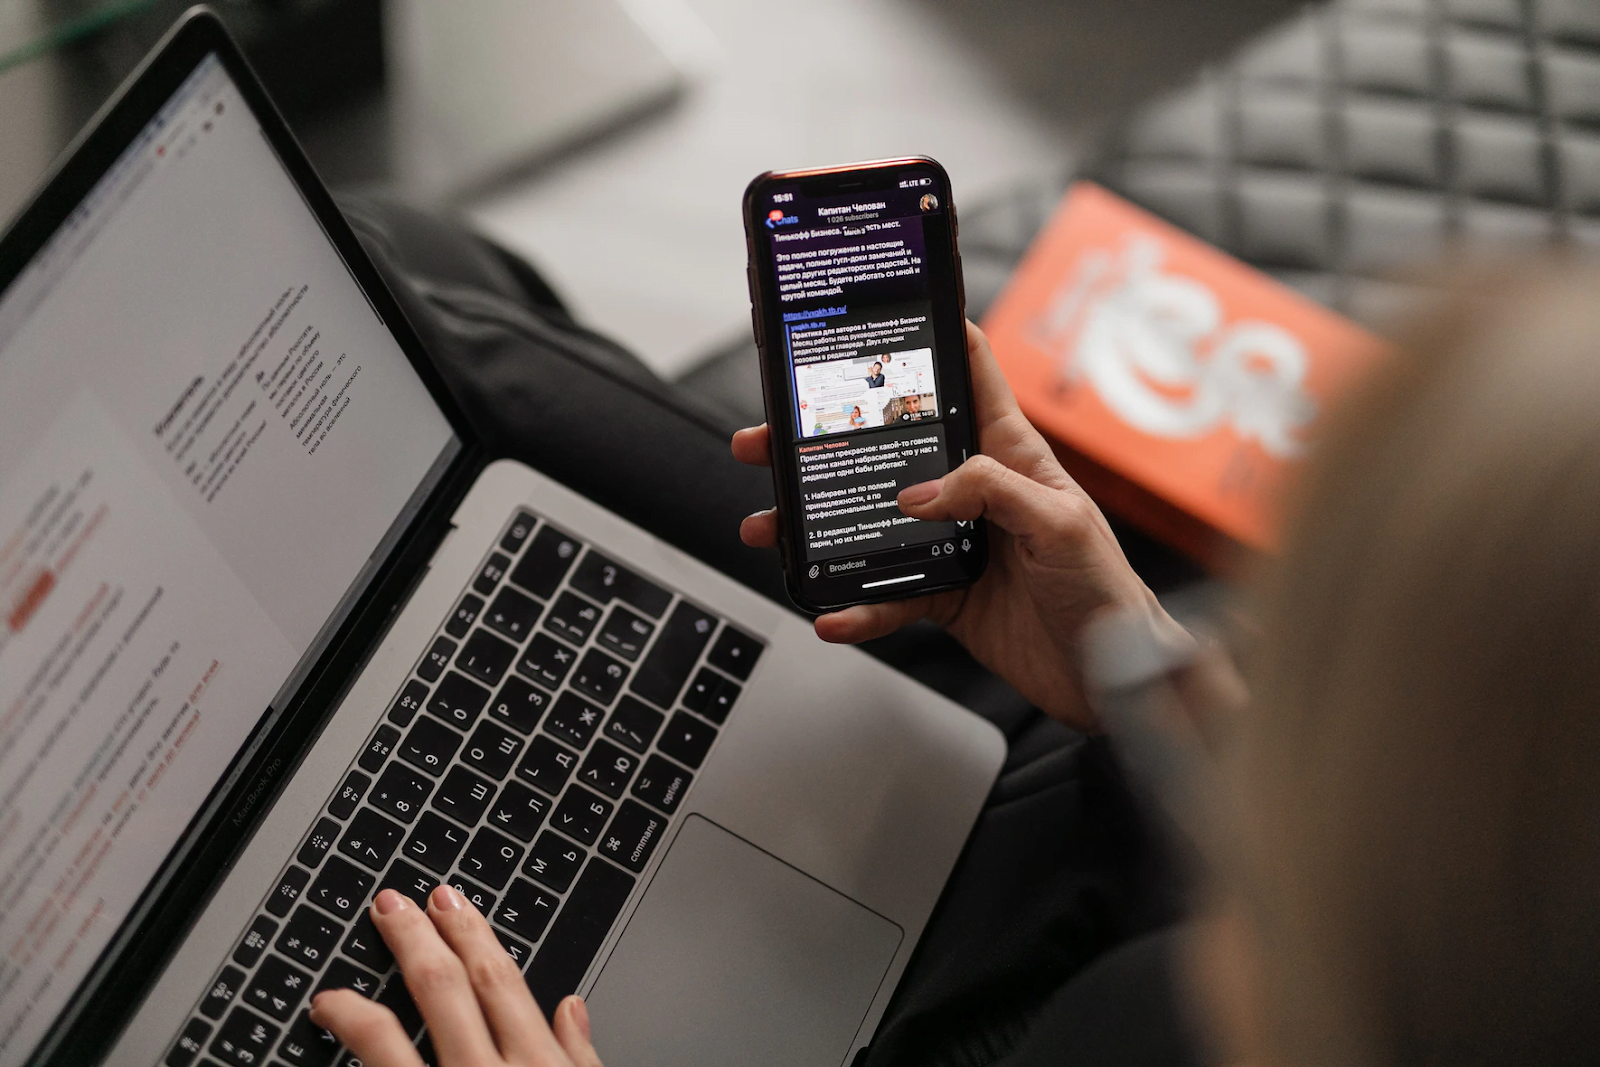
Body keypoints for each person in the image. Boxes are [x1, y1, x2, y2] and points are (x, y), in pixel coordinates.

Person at [313, 198, 1600, 1065]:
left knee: (392, 261)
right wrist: (1159, 686)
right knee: (427, 261)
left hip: (973, 940)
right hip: (1068, 816)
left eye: (1311, 674)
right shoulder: (1426, 963)